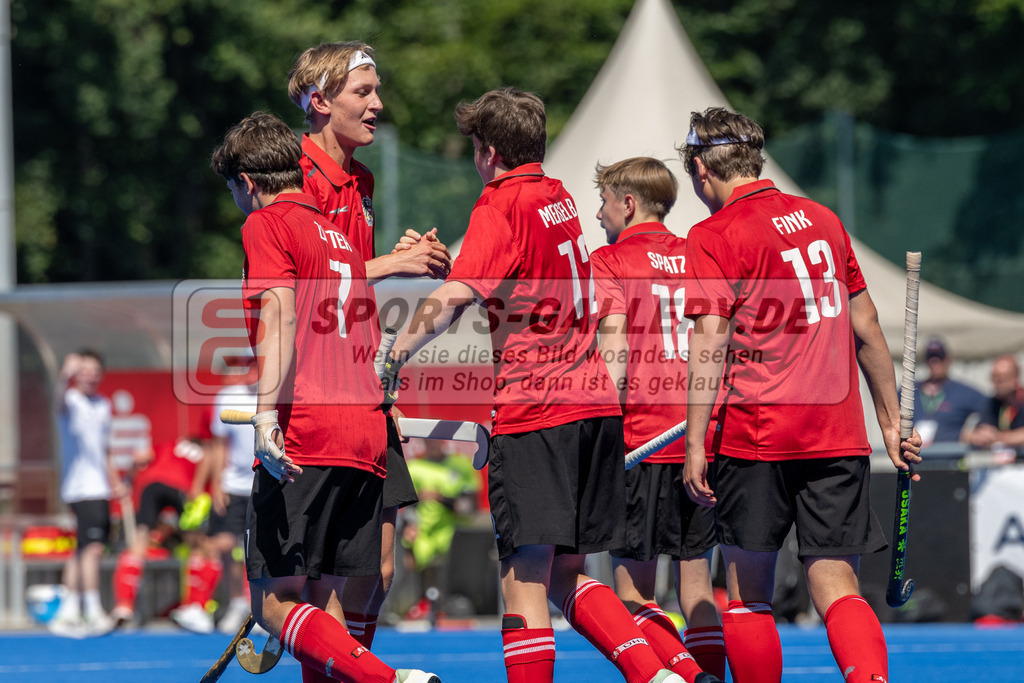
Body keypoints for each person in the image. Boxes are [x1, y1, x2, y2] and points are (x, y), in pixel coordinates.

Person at [384, 87, 713, 683]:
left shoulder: (500, 203)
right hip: (593, 408)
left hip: (537, 409)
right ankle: (666, 675)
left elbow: (460, 296)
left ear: (488, 151)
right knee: (568, 575)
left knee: (524, 581)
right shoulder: (557, 195)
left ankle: (659, 676)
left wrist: (394, 352)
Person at [679, 106, 922, 683]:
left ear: (701, 169)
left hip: (756, 434)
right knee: (838, 587)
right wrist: (891, 423)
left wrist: (694, 442)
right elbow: (867, 326)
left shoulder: (712, 235)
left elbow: (710, 340)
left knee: (748, 594)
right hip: (838, 432)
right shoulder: (823, 218)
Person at [210, 110, 440, 683]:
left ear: (247, 182)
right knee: (327, 600)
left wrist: (266, 416)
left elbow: (279, 315)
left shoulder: (266, 223)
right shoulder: (338, 237)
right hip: (363, 432)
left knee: (274, 603)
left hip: (308, 431)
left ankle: (389, 680)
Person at [287, 40, 451, 645]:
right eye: (364, 91)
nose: (378, 103)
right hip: (317, 399)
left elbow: (350, 285)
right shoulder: (294, 174)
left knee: (377, 573)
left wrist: (401, 258)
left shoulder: (362, 180)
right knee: (330, 583)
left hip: (363, 391)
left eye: (377, 90)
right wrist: (391, 264)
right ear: (320, 101)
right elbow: (302, 285)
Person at [590, 157, 726, 681]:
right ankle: (706, 673)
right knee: (697, 587)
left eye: (604, 202)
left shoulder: (609, 261)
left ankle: (685, 677)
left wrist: (597, 430)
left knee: (634, 594)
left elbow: (615, 355)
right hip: (698, 437)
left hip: (640, 439)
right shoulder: (697, 252)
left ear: (628, 204)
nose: (599, 214)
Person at [49, 350, 123, 637]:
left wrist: (114, 480)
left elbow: (105, 448)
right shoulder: (70, 399)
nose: (89, 376)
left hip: (99, 487)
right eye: (84, 371)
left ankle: (68, 611)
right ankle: (92, 610)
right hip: (80, 488)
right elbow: (57, 403)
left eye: (94, 371)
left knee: (82, 549)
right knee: (93, 549)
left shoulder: (103, 404)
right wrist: (63, 376)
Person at [111, 437, 207, 629]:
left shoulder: (169, 444)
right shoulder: (206, 454)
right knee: (198, 545)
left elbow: (140, 457)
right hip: (182, 487)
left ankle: (124, 606)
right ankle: (195, 607)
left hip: (152, 485)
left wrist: (129, 479)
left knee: (139, 542)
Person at [202, 356, 259, 635]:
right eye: (248, 364)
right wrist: (216, 485)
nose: (251, 370)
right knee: (225, 546)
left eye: (257, 364)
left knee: (262, 551)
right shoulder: (227, 396)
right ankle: (237, 603)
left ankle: (262, 609)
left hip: (266, 485)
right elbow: (219, 444)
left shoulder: (279, 396)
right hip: (233, 486)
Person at [913, 337, 987, 447]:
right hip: (915, 455)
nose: (935, 363)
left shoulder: (963, 392)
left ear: (948, 360)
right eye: (931, 359)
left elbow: (991, 408)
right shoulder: (911, 390)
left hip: (950, 456)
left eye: (940, 358)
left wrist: (974, 431)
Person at [968, 355, 1024, 451]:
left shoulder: (1021, 400)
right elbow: (977, 431)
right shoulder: (992, 403)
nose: (995, 385)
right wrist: (980, 436)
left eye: (1000, 380)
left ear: (1014, 379)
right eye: (993, 379)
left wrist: (999, 437)